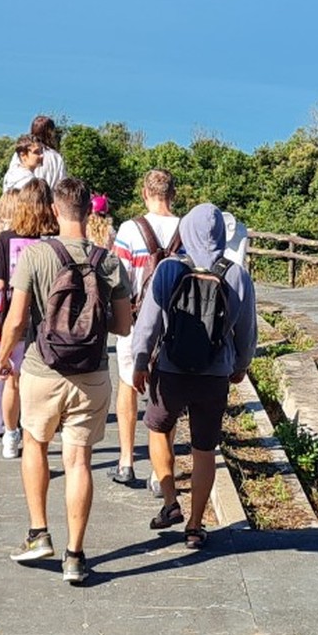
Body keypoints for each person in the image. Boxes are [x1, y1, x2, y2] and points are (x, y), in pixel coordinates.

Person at [0, 177, 132, 584]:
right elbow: (123, 326)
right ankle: (75, 556)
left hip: (42, 370)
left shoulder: (36, 256)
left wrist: (4, 359)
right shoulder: (109, 262)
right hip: (91, 375)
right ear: (90, 212)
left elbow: (18, 320)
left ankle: (39, 534)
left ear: (55, 210)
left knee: (35, 444)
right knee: (79, 461)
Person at [131, 203, 257, 551]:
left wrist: (141, 361)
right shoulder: (236, 274)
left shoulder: (170, 268)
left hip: (171, 369)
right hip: (214, 374)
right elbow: (246, 330)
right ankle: (195, 525)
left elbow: (149, 323)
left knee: (157, 429)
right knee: (205, 449)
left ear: (185, 231)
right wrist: (240, 365)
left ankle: (170, 501)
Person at [107, 169, 181, 489]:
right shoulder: (186, 229)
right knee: (167, 396)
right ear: (173, 194)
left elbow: (117, 279)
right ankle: (159, 472)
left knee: (128, 386)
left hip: (135, 322)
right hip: (176, 325)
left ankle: (126, 460)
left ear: (144, 193)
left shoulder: (129, 230)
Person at [0, 179, 58, 457]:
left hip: (15, 316)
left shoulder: (7, 238)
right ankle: (37, 435)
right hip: (50, 319)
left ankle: (11, 436)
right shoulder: (56, 237)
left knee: (12, 379)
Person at [3, 116, 66, 191]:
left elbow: (10, 179)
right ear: (50, 133)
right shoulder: (56, 157)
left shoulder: (22, 152)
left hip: (20, 197)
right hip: (45, 198)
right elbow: (61, 184)